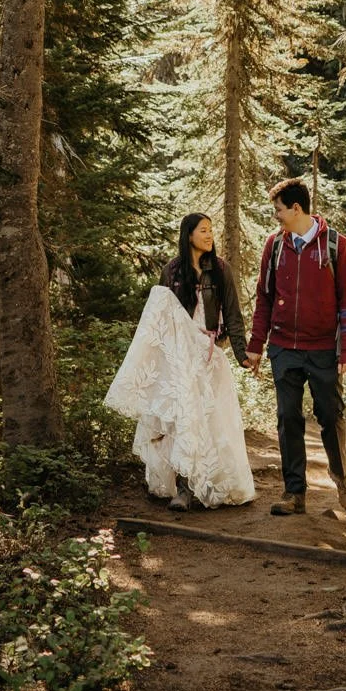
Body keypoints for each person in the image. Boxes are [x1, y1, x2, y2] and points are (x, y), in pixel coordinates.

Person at [104, 213, 255, 511]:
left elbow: (233, 314)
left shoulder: (220, 270)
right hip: (179, 356)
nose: (210, 235)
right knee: (182, 418)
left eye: (211, 230)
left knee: (208, 421)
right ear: (189, 236)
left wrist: (241, 354)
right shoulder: (171, 271)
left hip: (208, 354)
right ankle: (183, 489)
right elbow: (158, 316)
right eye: (203, 230)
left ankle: (206, 484)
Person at [245, 178, 346, 516]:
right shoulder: (274, 246)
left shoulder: (336, 245)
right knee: (288, 418)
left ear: (296, 208)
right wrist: (256, 345)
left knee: (330, 415)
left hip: (324, 349)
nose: (276, 216)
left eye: (279, 210)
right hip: (284, 348)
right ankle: (294, 493)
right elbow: (264, 298)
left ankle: (342, 479)